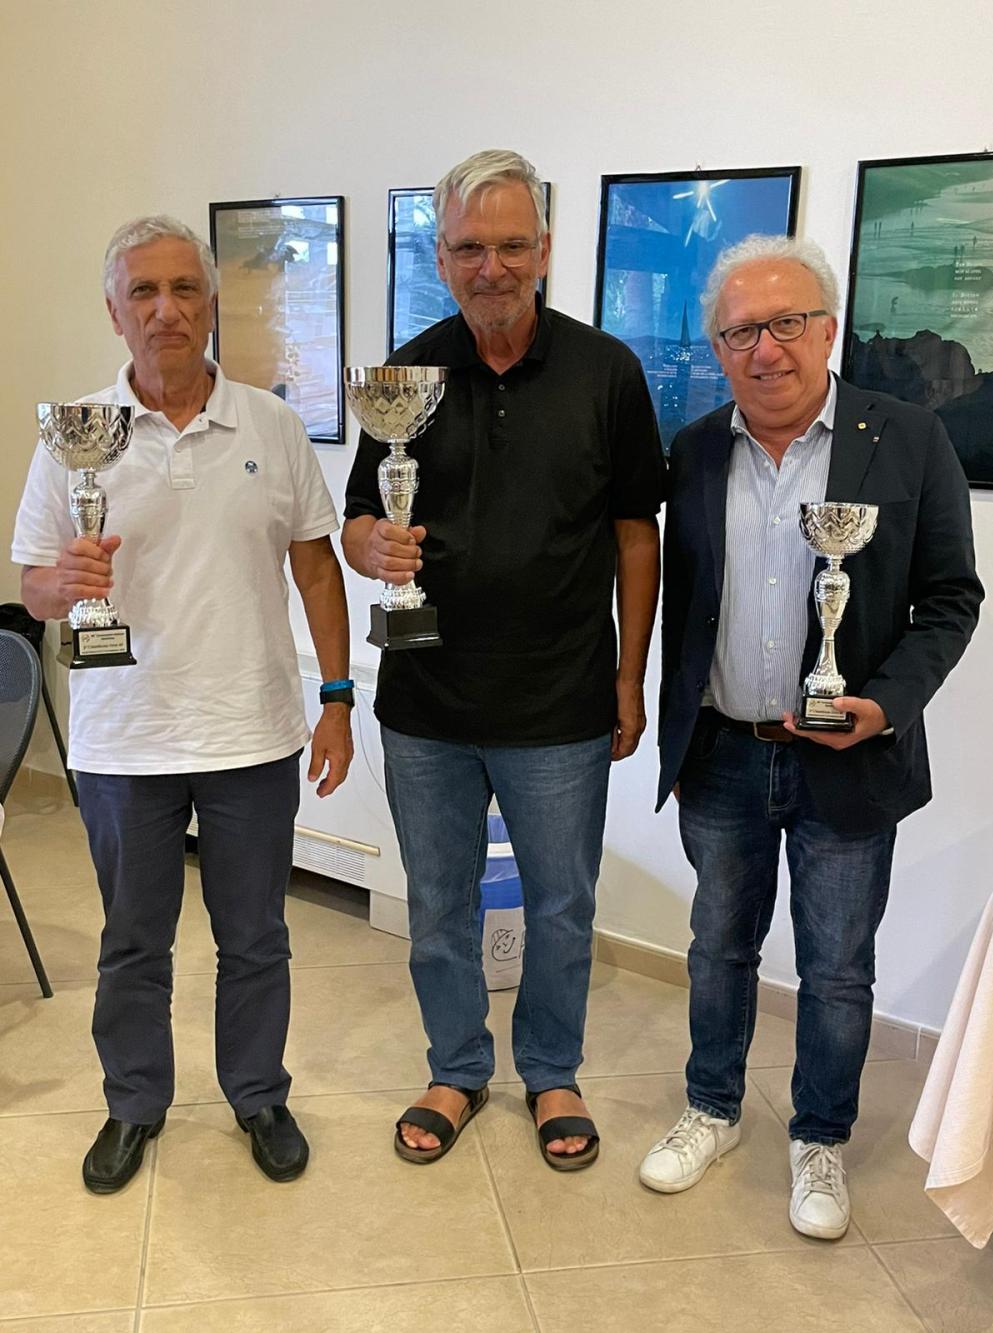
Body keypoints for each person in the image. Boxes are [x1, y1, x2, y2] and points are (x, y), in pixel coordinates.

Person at [638, 234, 983, 1237]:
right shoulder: (695, 449)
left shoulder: (907, 438)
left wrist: (885, 704)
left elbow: (950, 598)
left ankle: (819, 1137)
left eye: (787, 322)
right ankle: (712, 1109)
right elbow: (680, 600)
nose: (766, 348)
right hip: (723, 750)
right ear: (717, 348)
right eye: (741, 331)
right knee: (717, 946)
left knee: (836, 966)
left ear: (827, 329)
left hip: (849, 756)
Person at [12, 215, 354, 1192]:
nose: (166, 309)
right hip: (124, 741)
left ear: (209, 305)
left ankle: (258, 1094)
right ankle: (133, 1103)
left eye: (184, 289)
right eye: (144, 292)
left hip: (252, 733)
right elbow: (32, 585)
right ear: (114, 312)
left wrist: (336, 699)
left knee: (256, 939)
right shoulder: (74, 431)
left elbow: (316, 570)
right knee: (133, 944)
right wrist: (62, 581)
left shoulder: (271, 424)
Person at [342, 150, 665, 1170]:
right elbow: (356, 520)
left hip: (561, 699)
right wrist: (372, 547)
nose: (493, 267)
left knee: (562, 905)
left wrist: (629, 675)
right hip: (427, 700)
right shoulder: (403, 376)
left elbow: (636, 534)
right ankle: (456, 1066)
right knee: (438, 905)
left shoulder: (606, 372)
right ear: (441, 257)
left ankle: (552, 1070)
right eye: (471, 247)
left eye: (512, 245)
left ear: (545, 250)